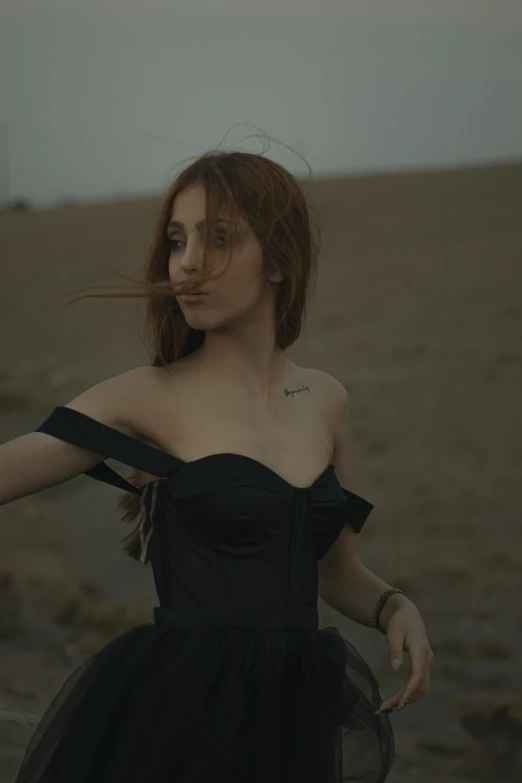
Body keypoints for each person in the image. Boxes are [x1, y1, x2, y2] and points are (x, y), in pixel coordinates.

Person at [1, 150, 433, 782]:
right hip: (184, 711)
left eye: (220, 238)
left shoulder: (326, 399)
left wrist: (397, 608)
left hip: (296, 710)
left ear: (281, 261)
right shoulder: (145, 395)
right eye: (178, 241)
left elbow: (335, 569)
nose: (189, 262)